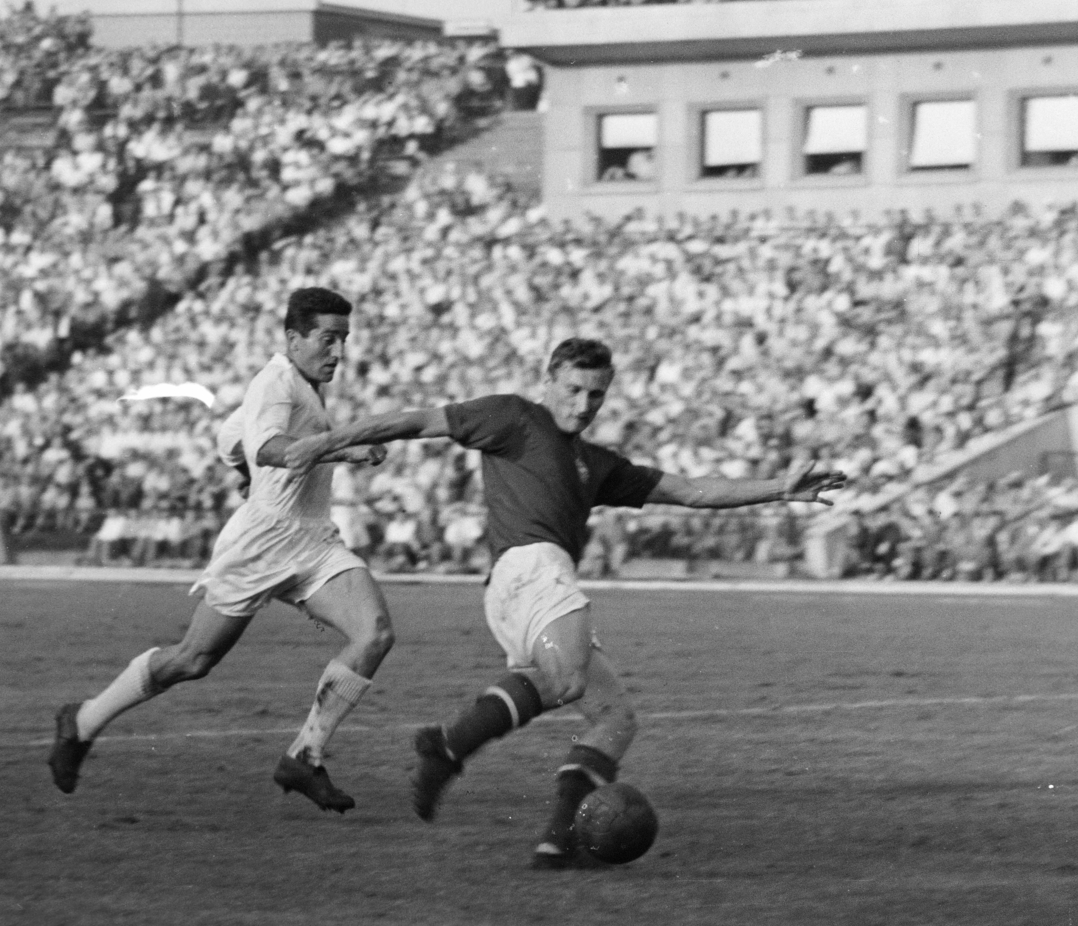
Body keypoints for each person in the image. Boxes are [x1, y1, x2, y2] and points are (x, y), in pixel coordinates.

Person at [283, 337, 847, 866]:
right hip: (532, 567)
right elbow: (416, 420)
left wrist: (780, 489)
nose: (583, 404)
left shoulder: (597, 464)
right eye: (573, 389)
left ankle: (558, 845)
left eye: (596, 394)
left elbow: (691, 491)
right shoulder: (513, 417)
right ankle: (447, 747)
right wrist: (327, 442)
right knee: (567, 681)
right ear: (548, 381)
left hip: (530, 584)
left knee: (614, 718)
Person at [48, 287, 394, 813]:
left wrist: (254, 472)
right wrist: (342, 446)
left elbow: (232, 443)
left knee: (375, 633)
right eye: (328, 339)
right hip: (262, 544)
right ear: (293, 338)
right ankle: (84, 720)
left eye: (343, 339)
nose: (338, 352)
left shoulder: (300, 384)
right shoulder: (276, 384)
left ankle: (305, 756)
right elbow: (268, 448)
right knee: (192, 660)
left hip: (313, 541)